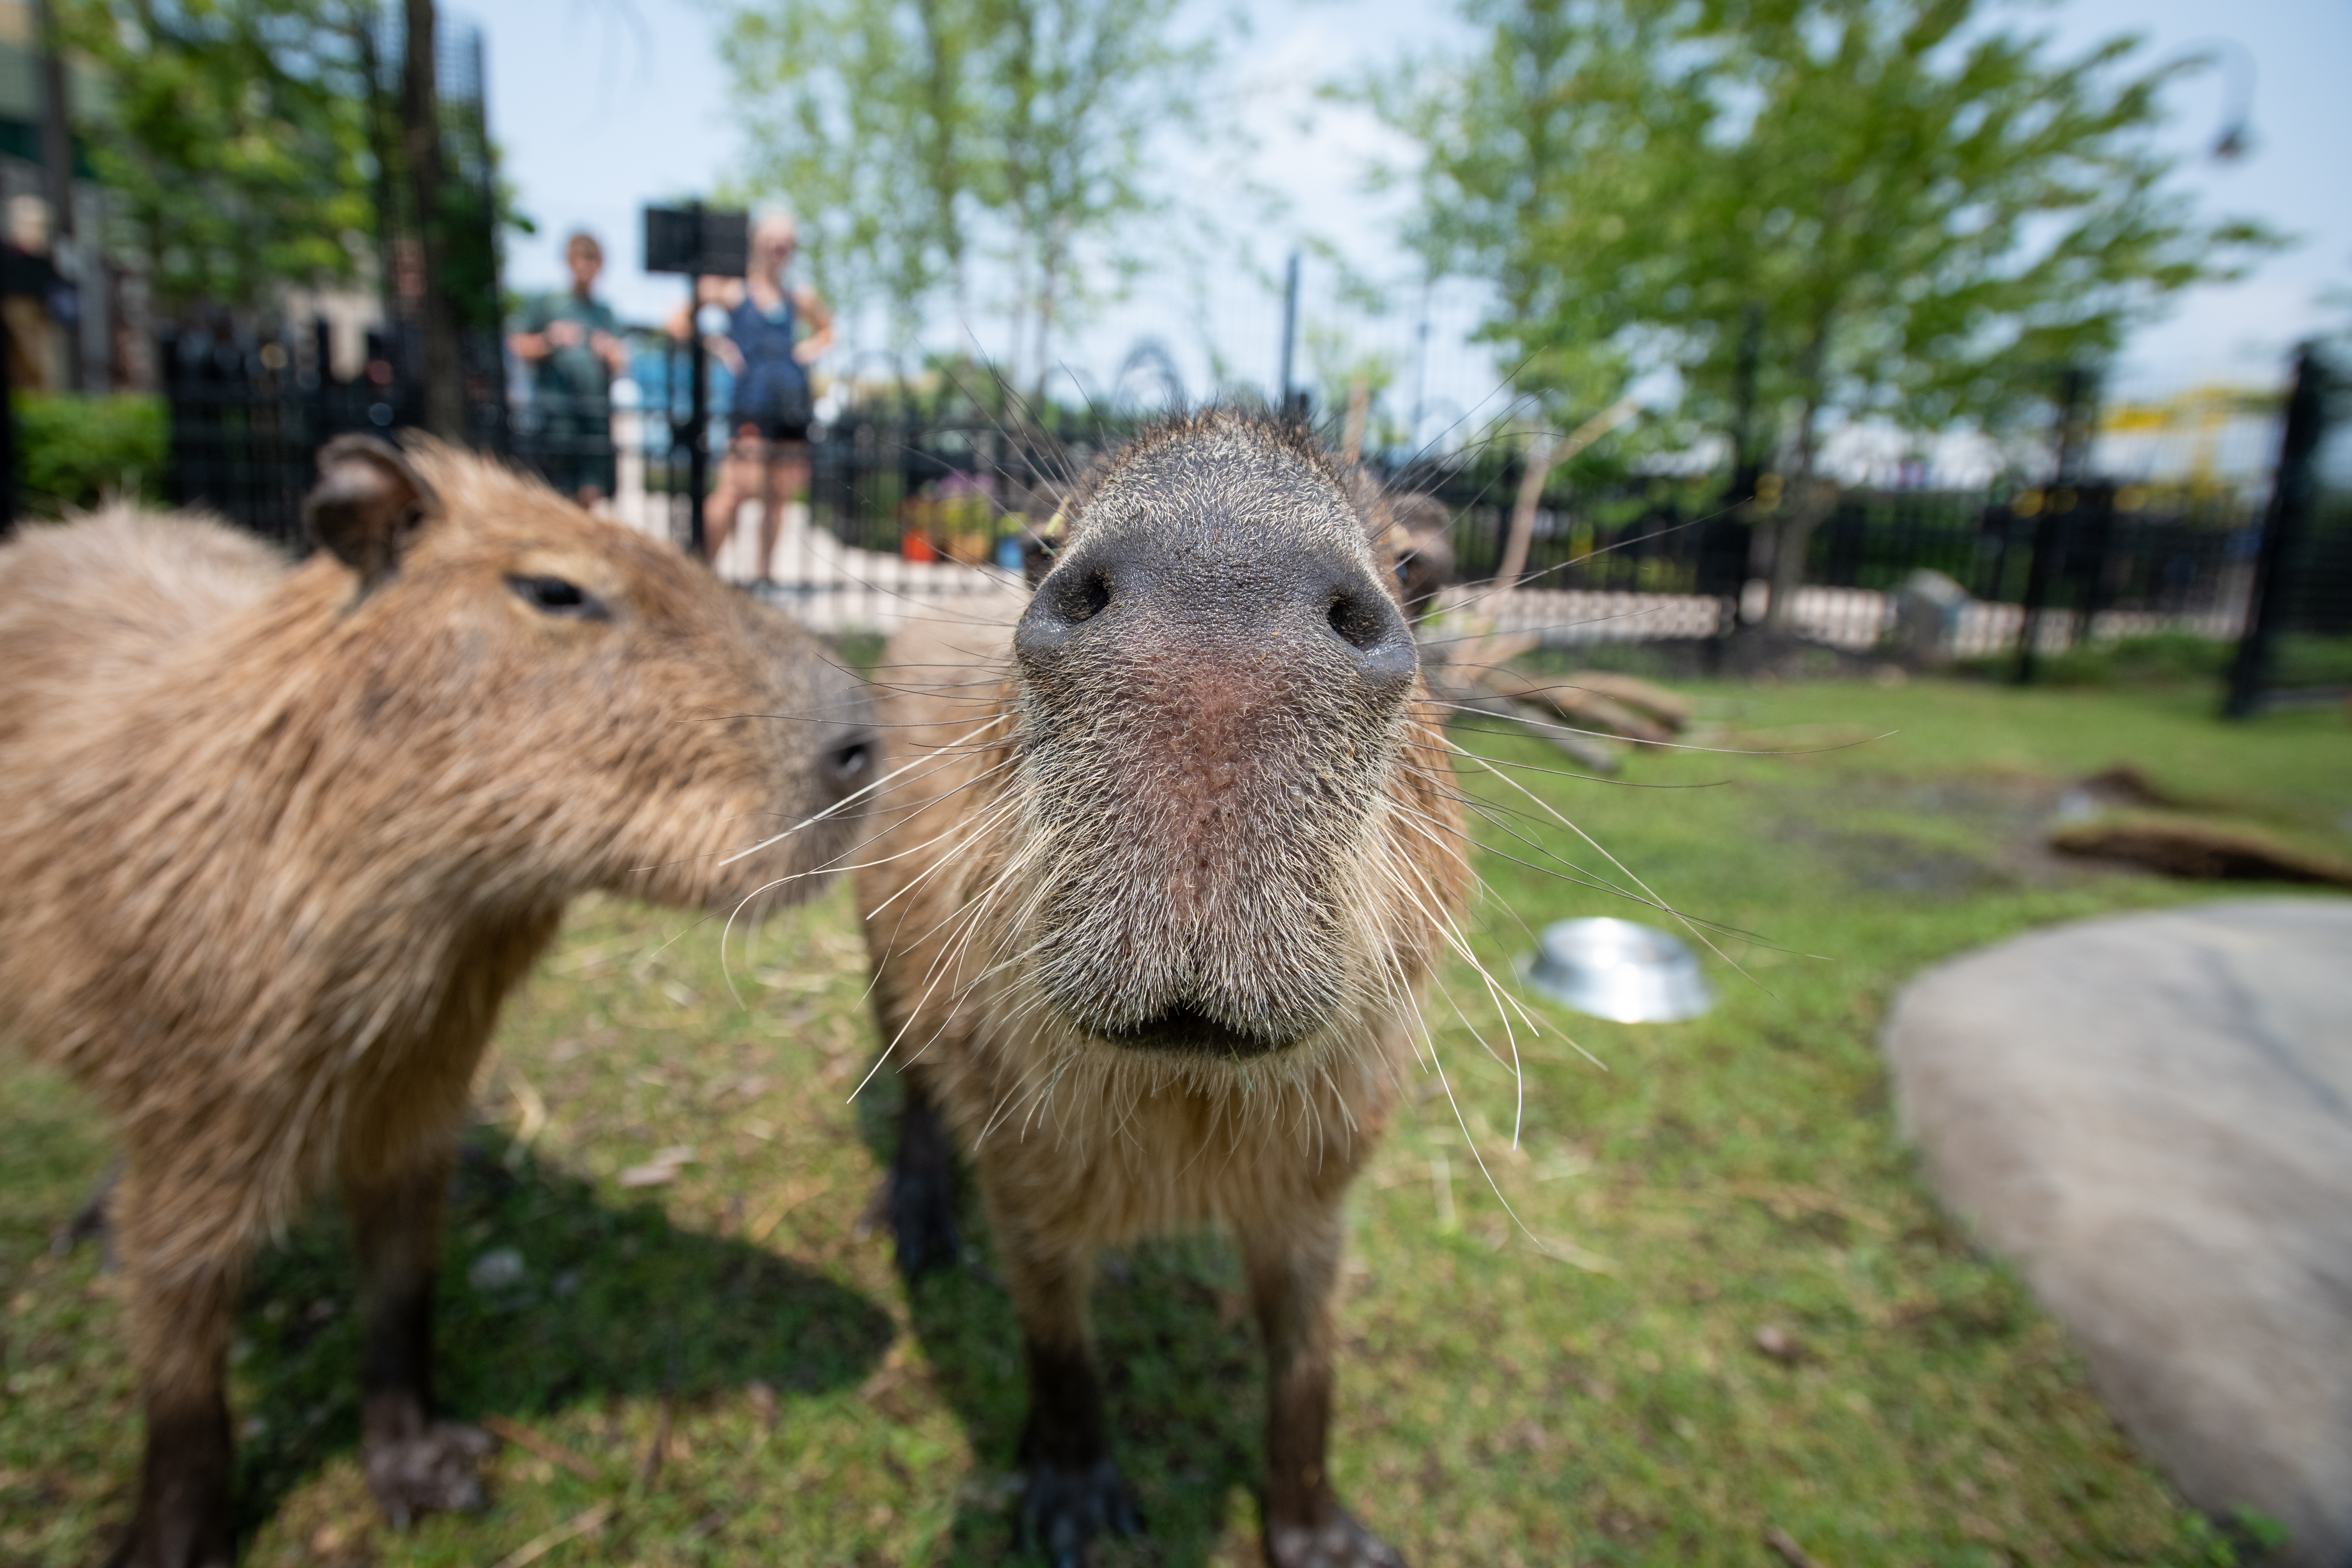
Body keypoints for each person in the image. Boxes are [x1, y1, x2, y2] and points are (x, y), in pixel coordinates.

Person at [665, 210, 835, 580]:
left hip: (791, 408)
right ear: (755, 242)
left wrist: (806, 351)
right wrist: (717, 345)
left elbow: (828, 331)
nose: (780, 248)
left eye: (787, 242)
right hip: (750, 406)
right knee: (733, 493)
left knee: (779, 500)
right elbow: (676, 324)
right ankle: (700, 573)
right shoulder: (731, 289)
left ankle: (764, 578)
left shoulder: (799, 297)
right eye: (773, 240)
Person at [509, 231, 630, 506]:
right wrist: (549, 339)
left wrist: (610, 350)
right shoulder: (546, 303)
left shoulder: (604, 312)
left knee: (591, 492)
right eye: (580, 259)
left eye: (592, 260)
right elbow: (517, 346)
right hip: (557, 417)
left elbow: (623, 361)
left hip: (595, 417)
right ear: (568, 261)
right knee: (556, 494)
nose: (585, 266)